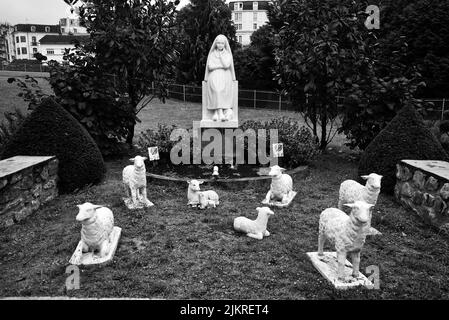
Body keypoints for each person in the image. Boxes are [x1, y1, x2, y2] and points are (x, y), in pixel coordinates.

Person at [204, 34, 236, 121]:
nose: (220, 45)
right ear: (216, 44)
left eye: (222, 43)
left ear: (225, 44)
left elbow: (226, 65)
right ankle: (219, 112)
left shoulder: (227, 54)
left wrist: (221, 56)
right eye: (218, 43)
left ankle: (217, 112)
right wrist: (220, 66)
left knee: (220, 90)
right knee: (216, 89)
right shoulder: (212, 54)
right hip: (214, 75)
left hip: (225, 76)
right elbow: (210, 66)